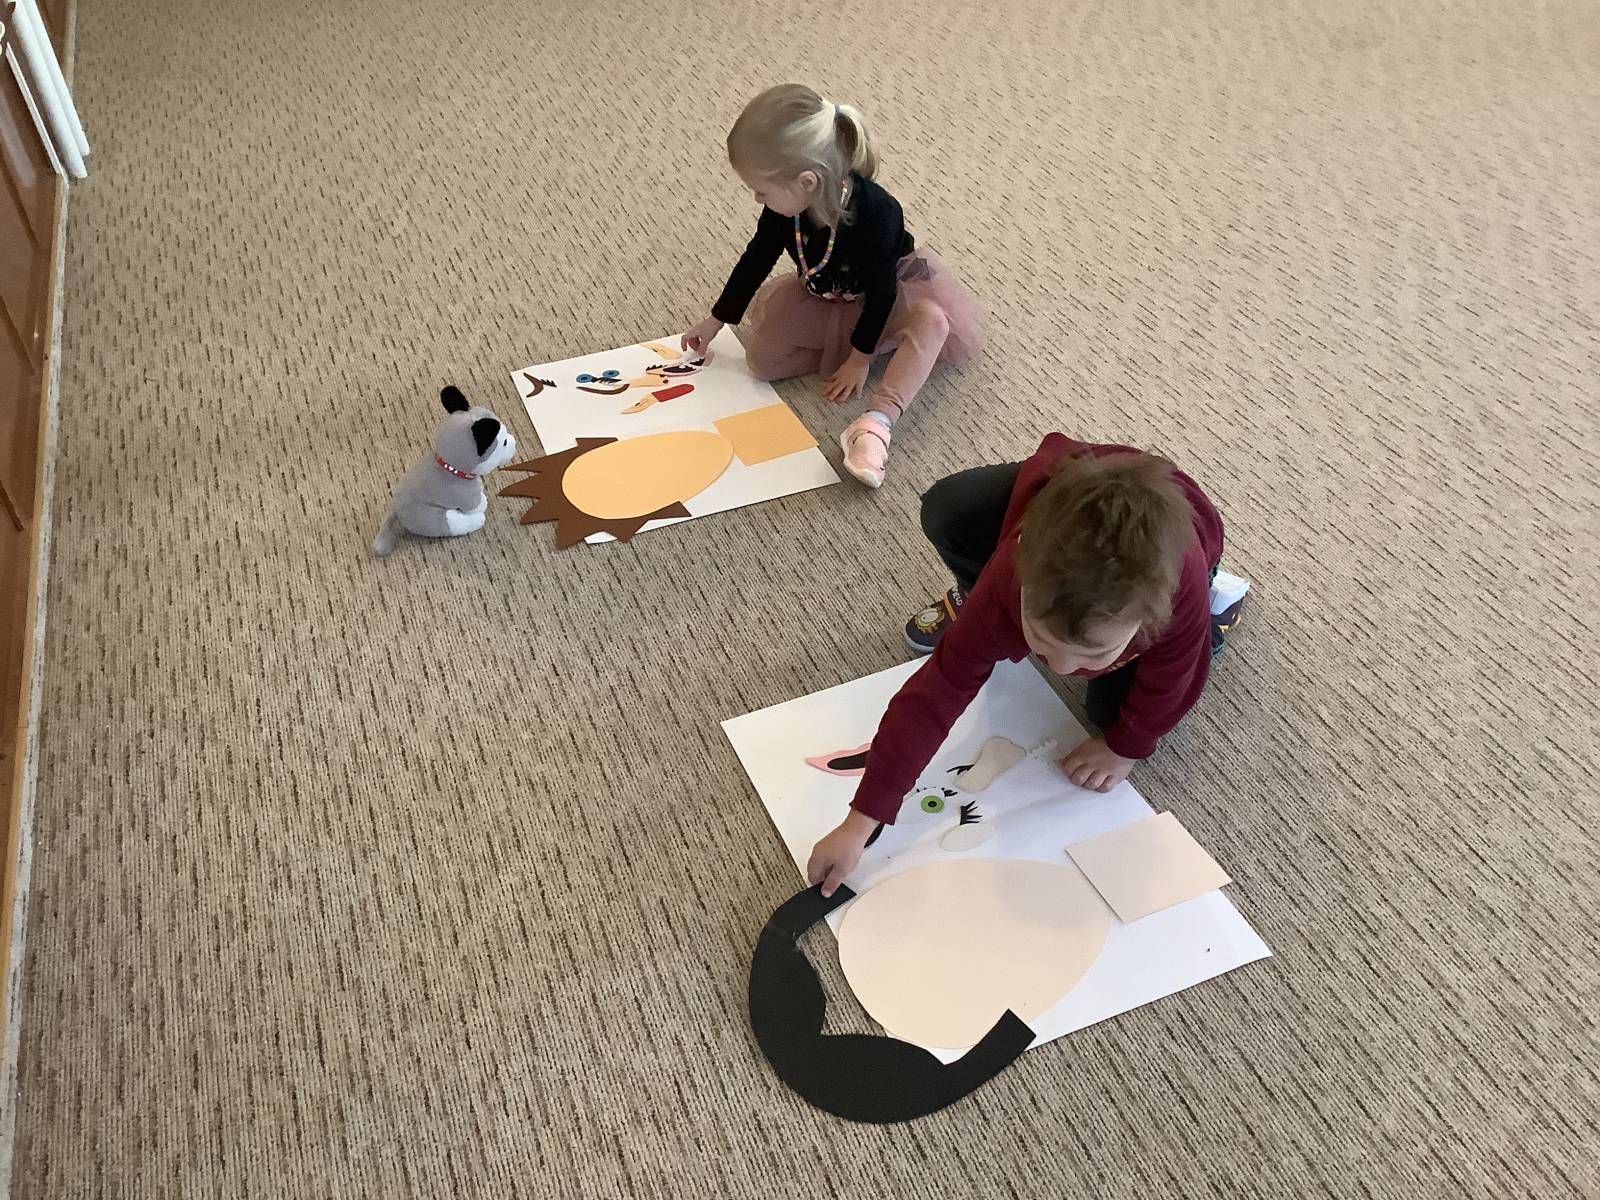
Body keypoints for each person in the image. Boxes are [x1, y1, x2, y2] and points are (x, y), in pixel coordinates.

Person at [807, 434, 1239, 895]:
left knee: (1116, 712)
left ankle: (1218, 613)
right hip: (1064, 488)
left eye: (1093, 654)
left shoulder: (1175, 596)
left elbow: (1175, 679)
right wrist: (860, 821)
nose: (1063, 668)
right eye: (1043, 642)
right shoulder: (1010, 574)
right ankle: (977, 603)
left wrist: (1125, 747)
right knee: (949, 509)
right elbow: (934, 694)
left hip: (1187, 538)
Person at [682, 83, 982, 489]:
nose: (757, 199)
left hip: (886, 297)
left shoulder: (877, 212)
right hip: (823, 295)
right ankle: (880, 346)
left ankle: (876, 421)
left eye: (761, 190)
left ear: (807, 181)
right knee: (763, 363)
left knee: (933, 323)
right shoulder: (784, 210)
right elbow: (757, 258)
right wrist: (716, 320)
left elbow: (882, 293)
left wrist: (859, 359)